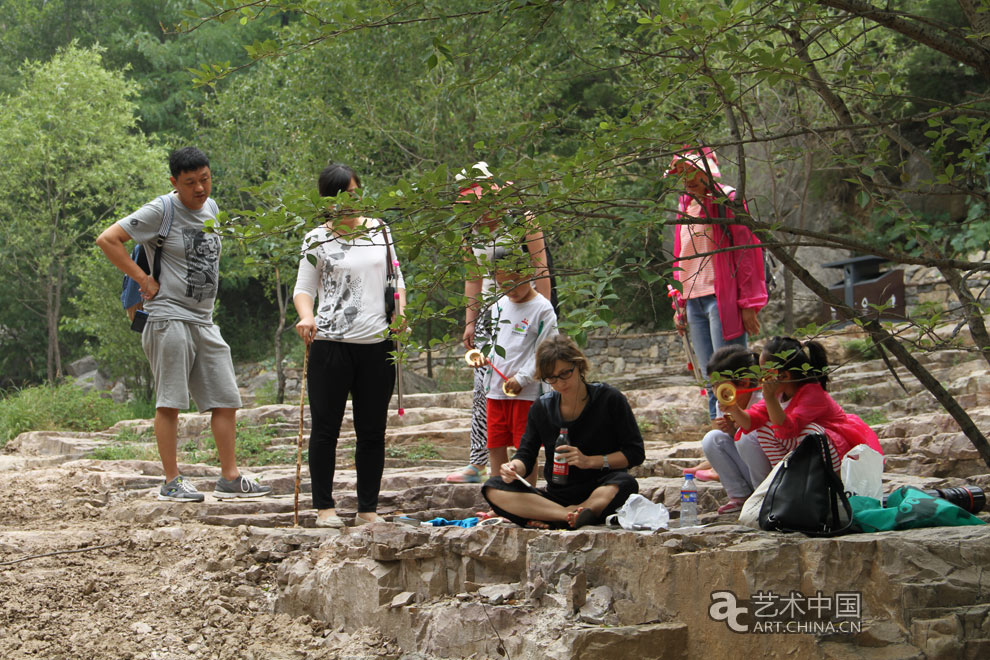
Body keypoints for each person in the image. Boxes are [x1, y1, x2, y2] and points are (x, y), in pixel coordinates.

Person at [96, 147, 271, 502]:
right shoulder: (161, 209)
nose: (200, 189)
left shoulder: (213, 208)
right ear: (174, 183)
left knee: (225, 398)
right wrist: (143, 279)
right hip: (167, 316)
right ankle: (171, 480)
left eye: (205, 179)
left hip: (203, 319)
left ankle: (230, 477)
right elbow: (107, 239)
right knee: (170, 401)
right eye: (190, 183)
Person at [293, 163, 406, 528]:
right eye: (340, 197)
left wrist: (401, 315)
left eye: (354, 194)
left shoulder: (381, 231)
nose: (348, 203)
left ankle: (367, 509)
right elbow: (304, 289)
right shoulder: (316, 239)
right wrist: (306, 317)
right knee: (325, 428)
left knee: (372, 431)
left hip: (376, 343)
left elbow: (396, 279)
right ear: (326, 201)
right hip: (330, 343)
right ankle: (324, 508)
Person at [446, 162, 554, 485]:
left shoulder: (521, 220)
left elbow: (540, 267)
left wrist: (543, 314)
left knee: (531, 387)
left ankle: (532, 462)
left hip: (527, 308)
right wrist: (470, 321)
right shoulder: (469, 229)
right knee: (485, 390)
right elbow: (473, 277)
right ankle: (479, 462)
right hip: (491, 318)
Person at [482, 335, 645, 529]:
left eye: (565, 374)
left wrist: (590, 461)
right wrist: (514, 467)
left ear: (578, 366)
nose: (559, 383)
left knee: (625, 483)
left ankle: (562, 515)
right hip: (557, 496)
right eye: (551, 378)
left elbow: (635, 453)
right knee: (492, 487)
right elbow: (526, 455)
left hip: (601, 486)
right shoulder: (541, 408)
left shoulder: (610, 399)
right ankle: (571, 514)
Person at [666, 147, 768, 423]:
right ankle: (719, 435)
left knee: (730, 372)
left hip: (721, 298)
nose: (688, 178)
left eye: (693, 172)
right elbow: (681, 255)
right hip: (694, 299)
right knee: (711, 374)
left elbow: (746, 252)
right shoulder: (684, 207)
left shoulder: (729, 200)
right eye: (682, 173)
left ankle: (741, 429)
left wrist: (748, 304)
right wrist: (680, 303)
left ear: (707, 172)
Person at [721, 336, 883, 475]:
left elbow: (787, 429)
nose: (762, 378)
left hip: (837, 452)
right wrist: (733, 408)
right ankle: (786, 479)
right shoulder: (779, 394)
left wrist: (769, 398)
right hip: (808, 454)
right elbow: (751, 421)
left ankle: (835, 485)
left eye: (765, 372)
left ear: (784, 376)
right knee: (764, 429)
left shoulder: (812, 394)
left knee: (810, 433)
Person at [471, 259, 558, 482]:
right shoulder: (498, 304)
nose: (510, 290)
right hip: (496, 390)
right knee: (496, 445)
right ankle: (499, 498)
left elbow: (545, 350)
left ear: (528, 274)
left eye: (514, 282)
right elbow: (495, 342)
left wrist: (522, 378)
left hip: (526, 393)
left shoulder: (543, 308)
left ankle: (527, 501)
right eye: (503, 284)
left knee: (525, 448)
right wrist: (485, 358)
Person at [699, 346, 771, 514]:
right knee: (712, 438)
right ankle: (740, 495)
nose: (717, 392)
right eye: (713, 386)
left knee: (746, 436)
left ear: (744, 382)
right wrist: (731, 430)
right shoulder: (722, 403)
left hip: (768, 474)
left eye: (720, 385)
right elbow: (733, 440)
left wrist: (738, 427)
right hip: (748, 469)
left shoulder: (762, 400)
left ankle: (764, 497)